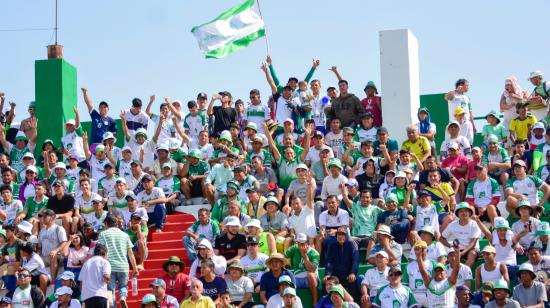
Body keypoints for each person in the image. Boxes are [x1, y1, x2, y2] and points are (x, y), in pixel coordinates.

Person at [97, 214, 139, 307]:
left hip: (109, 266)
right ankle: (123, 298)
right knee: (123, 286)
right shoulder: (125, 235)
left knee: (110, 289)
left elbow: (101, 251)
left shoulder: (103, 234)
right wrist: (135, 268)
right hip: (123, 265)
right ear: (116, 224)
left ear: (106, 223)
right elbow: (130, 253)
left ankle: (112, 303)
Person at [441, 202, 482, 268]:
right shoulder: (453, 224)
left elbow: (473, 242)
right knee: (450, 256)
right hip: (458, 249)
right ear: (458, 214)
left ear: (469, 213)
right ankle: (450, 274)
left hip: (472, 249)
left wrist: (462, 253)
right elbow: (442, 238)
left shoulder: (475, 224)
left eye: (466, 211)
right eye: (461, 211)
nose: (464, 213)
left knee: (472, 254)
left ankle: (463, 273)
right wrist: (450, 246)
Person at [284, 233, 320, 304]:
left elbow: (312, 270)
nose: (301, 246)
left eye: (303, 243)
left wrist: (305, 257)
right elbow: (283, 257)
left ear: (308, 244)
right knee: (285, 281)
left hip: (310, 280)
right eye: (299, 243)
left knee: (310, 275)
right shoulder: (294, 248)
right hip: (296, 278)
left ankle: (315, 300)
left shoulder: (314, 253)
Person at [325, 227, 359, 299]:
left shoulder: (352, 244)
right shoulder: (332, 245)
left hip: (348, 275)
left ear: (346, 235)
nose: (340, 236)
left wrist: (352, 272)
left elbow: (355, 260)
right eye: (338, 234)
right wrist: (328, 274)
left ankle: (354, 304)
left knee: (353, 282)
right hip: (336, 276)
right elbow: (329, 261)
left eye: (343, 234)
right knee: (327, 281)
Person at [38, 208, 68, 281]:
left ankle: (53, 280)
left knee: (53, 256)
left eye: (45, 216)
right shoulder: (42, 230)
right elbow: (39, 246)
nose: (43, 218)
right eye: (42, 216)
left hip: (57, 257)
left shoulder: (59, 228)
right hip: (45, 257)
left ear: (53, 217)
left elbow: (64, 242)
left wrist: (56, 250)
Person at [79, 243, 110, 308]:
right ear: (105, 253)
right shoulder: (104, 262)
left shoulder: (86, 263)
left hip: (88, 298)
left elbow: (81, 283)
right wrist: (108, 281)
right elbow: (106, 276)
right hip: (100, 295)